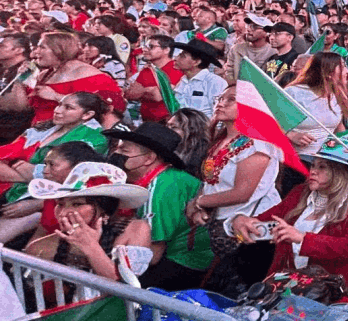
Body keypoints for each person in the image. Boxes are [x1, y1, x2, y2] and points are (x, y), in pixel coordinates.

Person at [229, 132, 348, 300]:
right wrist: (239, 220)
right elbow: (265, 219)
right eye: (313, 166)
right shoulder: (301, 191)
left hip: (335, 292)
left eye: (322, 167)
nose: (312, 171)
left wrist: (302, 238)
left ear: (341, 172)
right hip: (288, 286)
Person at [189, 86, 284, 290]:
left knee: (243, 289)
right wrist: (199, 208)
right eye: (220, 97)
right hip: (223, 225)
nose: (220, 103)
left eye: (231, 99)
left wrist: (198, 202)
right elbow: (210, 182)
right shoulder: (222, 139)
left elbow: (243, 193)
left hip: (252, 229)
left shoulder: (258, 142)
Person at [103, 122, 208, 290]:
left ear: (149, 158)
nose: (116, 154)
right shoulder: (151, 178)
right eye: (117, 149)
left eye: (124, 151)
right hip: (174, 254)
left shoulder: (161, 188)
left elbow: (153, 255)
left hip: (184, 262)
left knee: (119, 286)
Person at [26, 161, 153, 281]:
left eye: (77, 204)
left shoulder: (136, 230)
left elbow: (124, 286)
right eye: (60, 204)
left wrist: (90, 246)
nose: (63, 213)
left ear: (105, 209)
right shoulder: (39, 248)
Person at [0, 91, 108, 203]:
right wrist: (25, 171)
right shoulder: (45, 127)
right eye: (59, 105)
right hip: (13, 187)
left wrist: (26, 173)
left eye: (68, 108)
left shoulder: (95, 138)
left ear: (87, 115)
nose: (57, 110)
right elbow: (8, 152)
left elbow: (68, 178)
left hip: (47, 199)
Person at [26, 31, 121, 124]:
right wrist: (20, 78)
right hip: (38, 132)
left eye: (42, 47)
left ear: (59, 50)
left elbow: (109, 108)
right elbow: (22, 107)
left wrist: (56, 96)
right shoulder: (44, 74)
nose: (36, 51)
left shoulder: (88, 74)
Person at [283, 52, 348, 156]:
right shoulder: (293, 92)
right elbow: (269, 121)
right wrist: (291, 135)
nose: (347, 71)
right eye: (342, 66)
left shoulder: (339, 95)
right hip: (296, 158)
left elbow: (338, 127)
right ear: (328, 72)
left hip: (326, 160)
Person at [125, 35, 182, 124]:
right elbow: (130, 94)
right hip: (146, 122)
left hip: (166, 122)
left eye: (151, 47)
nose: (145, 50)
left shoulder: (176, 68)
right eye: (145, 46)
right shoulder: (147, 69)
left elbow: (159, 95)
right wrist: (149, 91)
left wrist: (142, 91)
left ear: (166, 50)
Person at [172, 40, 228, 118]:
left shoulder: (215, 82)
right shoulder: (182, 81)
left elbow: (220, 114)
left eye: (182, 56)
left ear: (196, 62)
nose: (176, 58)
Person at [166, 107, 210, 177]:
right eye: (167, 126)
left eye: (174, 127)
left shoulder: (206, 158)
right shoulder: (167, 153)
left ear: (192, 131)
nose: (167, 131)